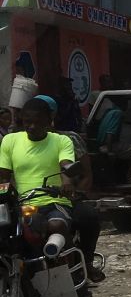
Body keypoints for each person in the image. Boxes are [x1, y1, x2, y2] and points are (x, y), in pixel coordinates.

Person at [0, 95, 102, 282]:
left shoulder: (61, 140)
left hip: (54, 200)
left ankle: (79, 266)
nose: (31, 127)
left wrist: (67, 182)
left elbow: (66, 165)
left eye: (37, 122)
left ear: (49, 120)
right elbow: (3, 177)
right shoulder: (10, 140)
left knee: (75, 220)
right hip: (23, 204)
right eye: (27, 122)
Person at [44, 95, 104, 283]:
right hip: (30, 200)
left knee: (89, 217)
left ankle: (85, 262)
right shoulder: (14, 140)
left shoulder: (68, 139)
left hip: (64, 198)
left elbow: (86, 174)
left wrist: (76, 194)